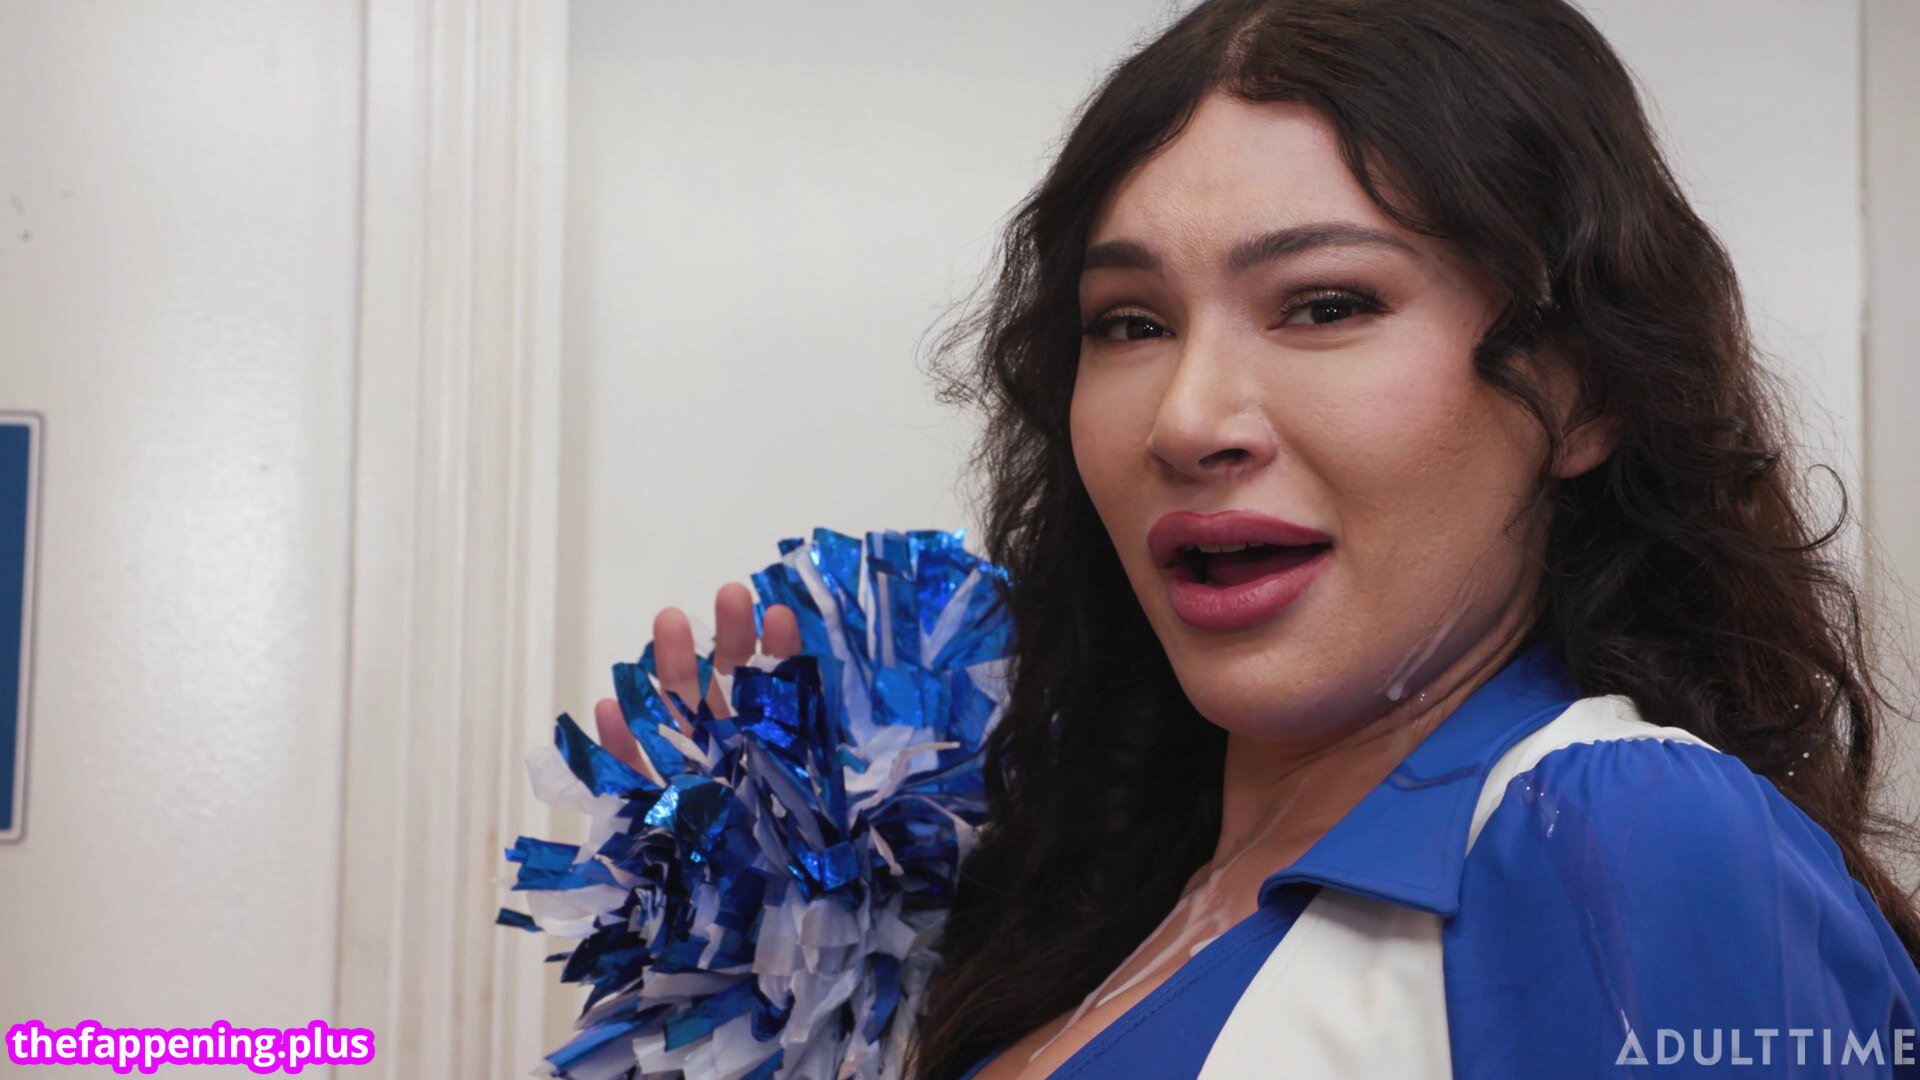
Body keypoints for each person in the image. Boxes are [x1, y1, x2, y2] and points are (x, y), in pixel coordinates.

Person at [580, 0, 1920, 1075]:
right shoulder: (1095, 899)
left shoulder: (1626, 840)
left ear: (1583, 391)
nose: (1187, 418)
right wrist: (765, 958)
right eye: (1129, 323)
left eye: (1326, 304)